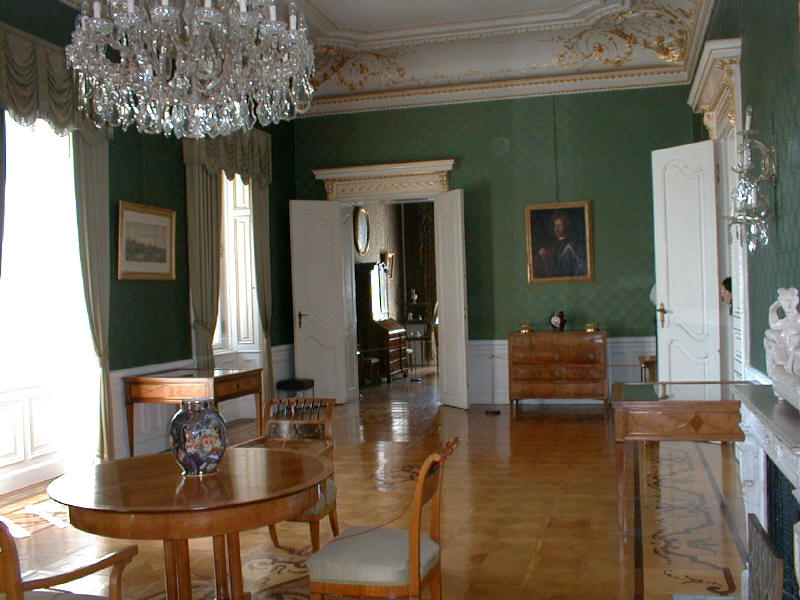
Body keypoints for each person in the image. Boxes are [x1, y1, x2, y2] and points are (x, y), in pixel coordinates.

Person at [535, 212, 586, 278]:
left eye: (560, 226)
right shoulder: (551, 245)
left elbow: (581, 266)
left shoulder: (574, 245)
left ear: (566, 227)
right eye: (555, 226)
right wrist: (545, 258)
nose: (557, 229)